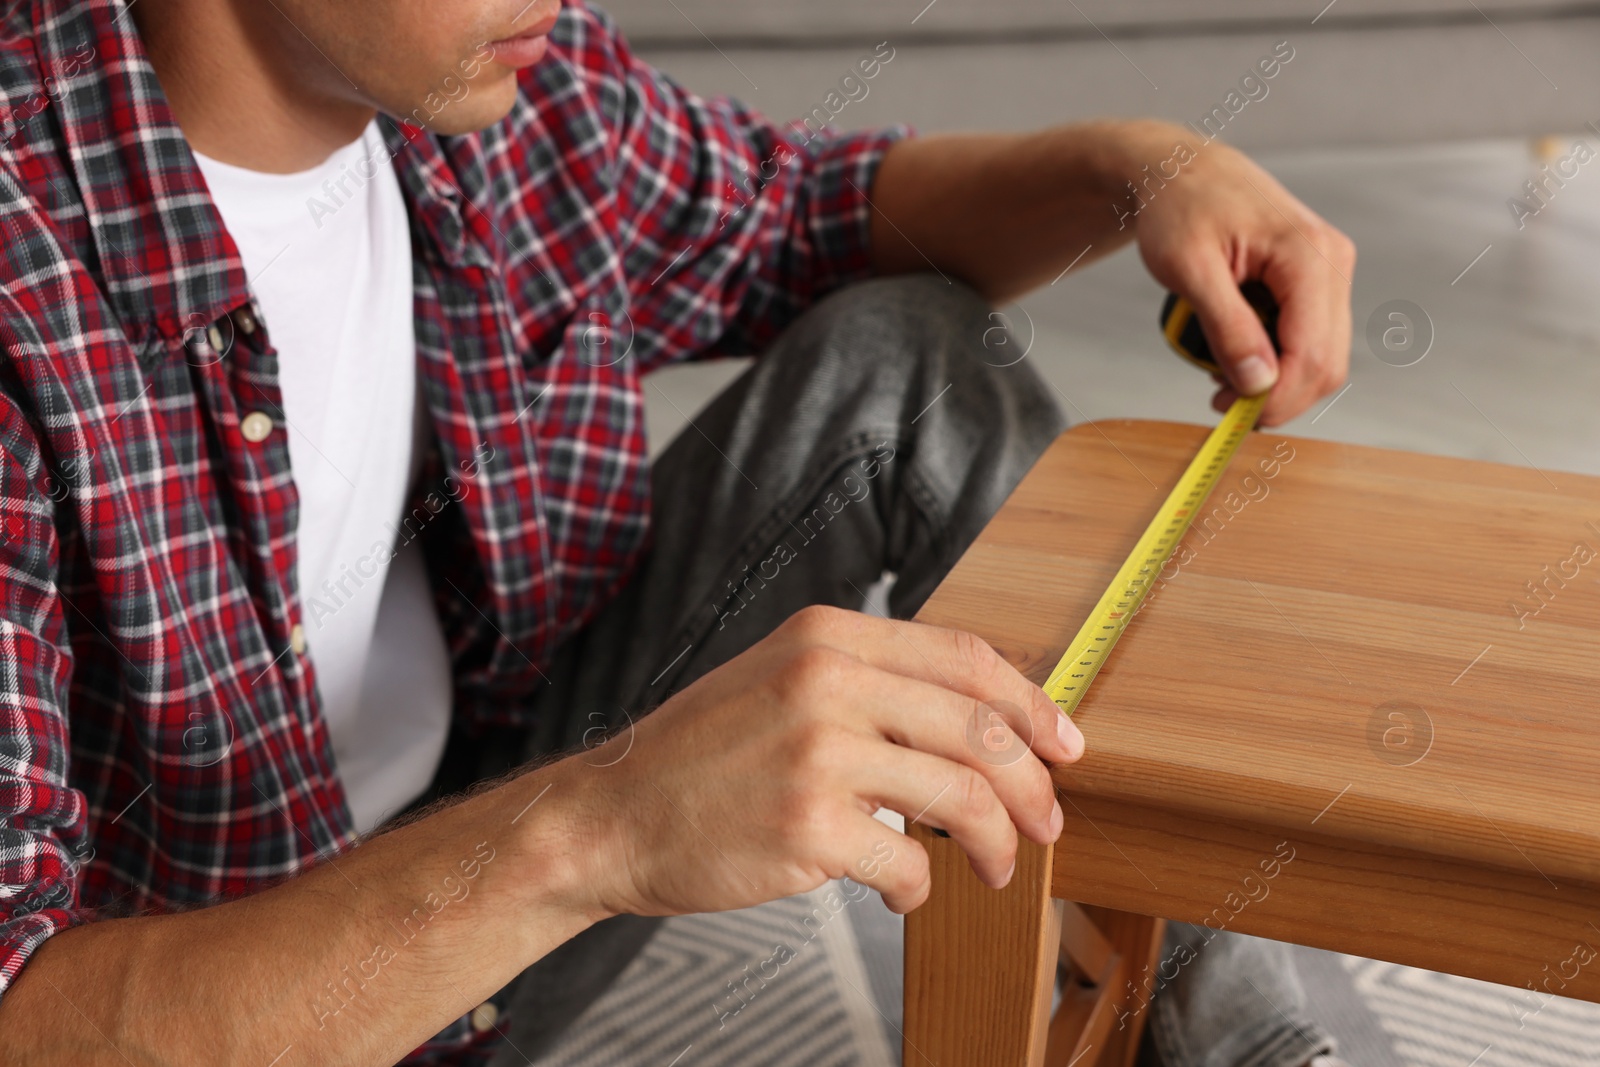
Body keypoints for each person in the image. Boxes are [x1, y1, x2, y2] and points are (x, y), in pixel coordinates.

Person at [0, 0, 1356, 1063]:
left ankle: (1242, 1053)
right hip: (209, 1004)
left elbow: (809, 219)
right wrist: (599, 834)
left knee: (909, 354)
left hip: (478, 881)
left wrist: (1137, 171)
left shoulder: (496, 82)